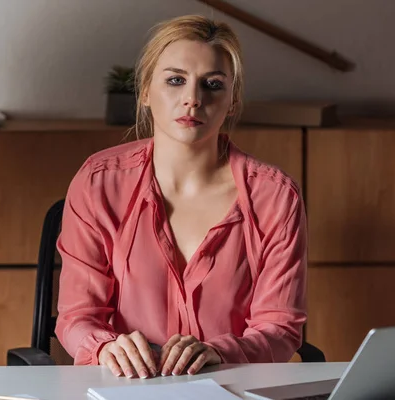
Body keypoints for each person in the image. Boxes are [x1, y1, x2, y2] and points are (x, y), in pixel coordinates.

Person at [55, 14, 307, 379]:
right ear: (144, 91)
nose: (192, 99)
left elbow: (280, 328)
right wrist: (106, 345)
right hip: (131, 388)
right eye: (175, 80)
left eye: (213, 84)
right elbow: (78, 317)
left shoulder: (275, 197)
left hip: (229, 386)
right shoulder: (98, 183)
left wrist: (220, 352)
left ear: (232, 102)